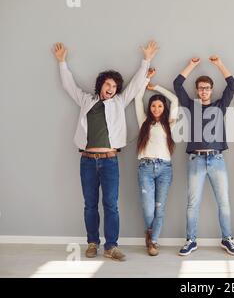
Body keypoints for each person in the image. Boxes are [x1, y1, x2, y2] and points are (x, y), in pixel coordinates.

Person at [53, 40, 159, 261]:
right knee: (90, 204)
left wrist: (146, 60)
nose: (111, 89)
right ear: (101, 84)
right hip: (87, 161)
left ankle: (111, 246)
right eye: (108, 85)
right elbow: (69, 85)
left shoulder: (119, 102)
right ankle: (93, 243)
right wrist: (62, 62)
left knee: (111, 204)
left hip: (110, 161)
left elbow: (135, 86)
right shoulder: (86, 100)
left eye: (114, 87)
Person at [173, 56, 234, 256]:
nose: (204, 91)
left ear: (211, 90)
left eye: (207, 88)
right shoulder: (190, 106)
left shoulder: (220, 106)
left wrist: (219, 64)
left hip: (217, 159)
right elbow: (177, 84)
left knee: (224, 202)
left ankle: (227, 239)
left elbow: (232, 84)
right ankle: (191, 240)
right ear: (197, 90)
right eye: (200, 88)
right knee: (192, 203)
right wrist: (192, 65)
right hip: (196, 160)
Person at [135, 67, 179, 256]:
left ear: (164, 108)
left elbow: (175, 100)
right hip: (145, 167)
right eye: (153, 106)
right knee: (148, 208)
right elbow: (137, 98)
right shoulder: (143, 121)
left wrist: (157, 87)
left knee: (160, 208)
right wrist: (146, 81)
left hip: (165, 169)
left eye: (160, 106)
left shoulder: (169, 124)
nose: (156, 108)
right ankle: (150, 230)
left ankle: (153, 242)